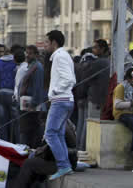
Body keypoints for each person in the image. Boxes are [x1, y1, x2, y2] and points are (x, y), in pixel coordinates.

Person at [44, 30, 76, 180]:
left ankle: (63, 166)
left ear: (54, 43)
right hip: (65, 100)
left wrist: (55, 91)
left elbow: (69, 79)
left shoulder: (59, 56)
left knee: (50, 134)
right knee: (58, 134)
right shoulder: (64, 55)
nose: (45, 45)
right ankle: (66, 165)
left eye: (46, 42)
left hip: (61, 101)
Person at [17, 45, 46, 148]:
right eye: (27, 53)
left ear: (36, 55)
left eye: (30, 53)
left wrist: (33, 104)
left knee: (28, 131)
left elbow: (38, 88)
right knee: (26, 130)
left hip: (31, 106)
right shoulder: (31, 66)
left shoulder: (37, 68)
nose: (27, 55)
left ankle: (27, 153)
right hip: (26, 104)